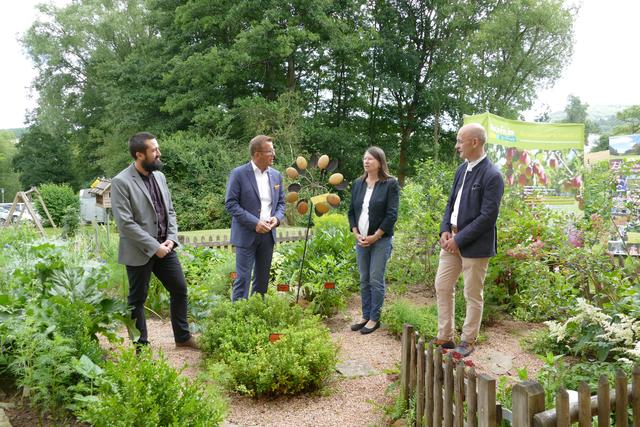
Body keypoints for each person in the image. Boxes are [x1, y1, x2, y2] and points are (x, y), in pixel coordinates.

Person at [111, 132, 198, 349]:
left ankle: (183, 338)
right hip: (139, 250)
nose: (159, 153)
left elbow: (169, 211)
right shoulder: (121, 182)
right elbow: (125, 223)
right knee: (137, 299)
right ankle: (141, 345)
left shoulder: (159, 176)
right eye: (154, 150)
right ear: (139, 154)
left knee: (179, 288)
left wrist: (171, 239)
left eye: (157, 149)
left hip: (165, 248)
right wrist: (154, 246)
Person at [433, 123, 504, 357]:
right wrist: (445, 229)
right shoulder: (461, 170)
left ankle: (468, 340)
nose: (457, 146)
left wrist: (459, 239)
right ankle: (446, 337)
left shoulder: (492, 175)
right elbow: (450, 204)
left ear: (475, 142)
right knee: (442, 285)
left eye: (460, 141)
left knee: (472, 294)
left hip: (474, 245)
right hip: (451, 239)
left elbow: (488, 217)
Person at [225, 135, 286, 301]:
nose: (273, 154)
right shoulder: (238, 174)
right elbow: (230, 204)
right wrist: (255, 223)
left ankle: (257, 314)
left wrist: (277, 219)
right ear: (257, 154)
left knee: (262, 280)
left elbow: (281, 204)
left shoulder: (276, 175)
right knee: (242, 279)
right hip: (246, 234)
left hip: (268, 235)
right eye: (270, 151)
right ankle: (238, 317)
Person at [348, 147, 400, 334]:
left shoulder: (390, 184)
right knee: (364, 279)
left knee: (375, 279)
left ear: (380, 161)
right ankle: (365, 315)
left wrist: (375, 236)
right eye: (364, 158)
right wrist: (356, 233)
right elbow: (351, 211)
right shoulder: (358, 183)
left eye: (370, 159)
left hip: (380, 240)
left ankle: (374, 318)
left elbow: (391, 214)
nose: (366, 161)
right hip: (361, 239)